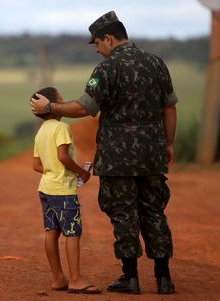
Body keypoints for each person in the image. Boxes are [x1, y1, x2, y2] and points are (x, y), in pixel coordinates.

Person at [30, 11, 177, 295]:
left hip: (117, 156)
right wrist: (168, 143)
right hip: (153, 153)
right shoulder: (157, 63)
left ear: (109, 38)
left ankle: (130, 277)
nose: (97, 49)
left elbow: (85, 107)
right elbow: (169, 107)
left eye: (97, 43)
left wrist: (50, 108)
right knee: (154, 212)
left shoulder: (108, 69)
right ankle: (164, 278)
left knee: (124, 213)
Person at [32, 86, 102, 294]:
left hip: (46, 189)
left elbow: (36, 165)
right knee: (72, 233)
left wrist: (52, 170)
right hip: (63, 191)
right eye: (61, 101)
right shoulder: (61, 128)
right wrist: (81, 172)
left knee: (51, 232)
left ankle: (58, 278)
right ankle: (76, 279)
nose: (63, 104)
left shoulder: (41, 131)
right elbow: (63, 156)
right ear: (52, 106)